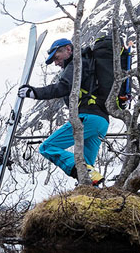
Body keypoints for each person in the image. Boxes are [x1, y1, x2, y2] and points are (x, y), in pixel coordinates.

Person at [18, 35, 121, 186]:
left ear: (68, 49)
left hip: (88, 118)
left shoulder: (76, 63)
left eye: (57, 57)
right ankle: (90, 195)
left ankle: (84, 174)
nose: (56, 62)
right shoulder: (89, 64)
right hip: (102, 122)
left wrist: (33, 93)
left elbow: (63, 87)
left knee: (48, 147)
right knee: (88, 171)